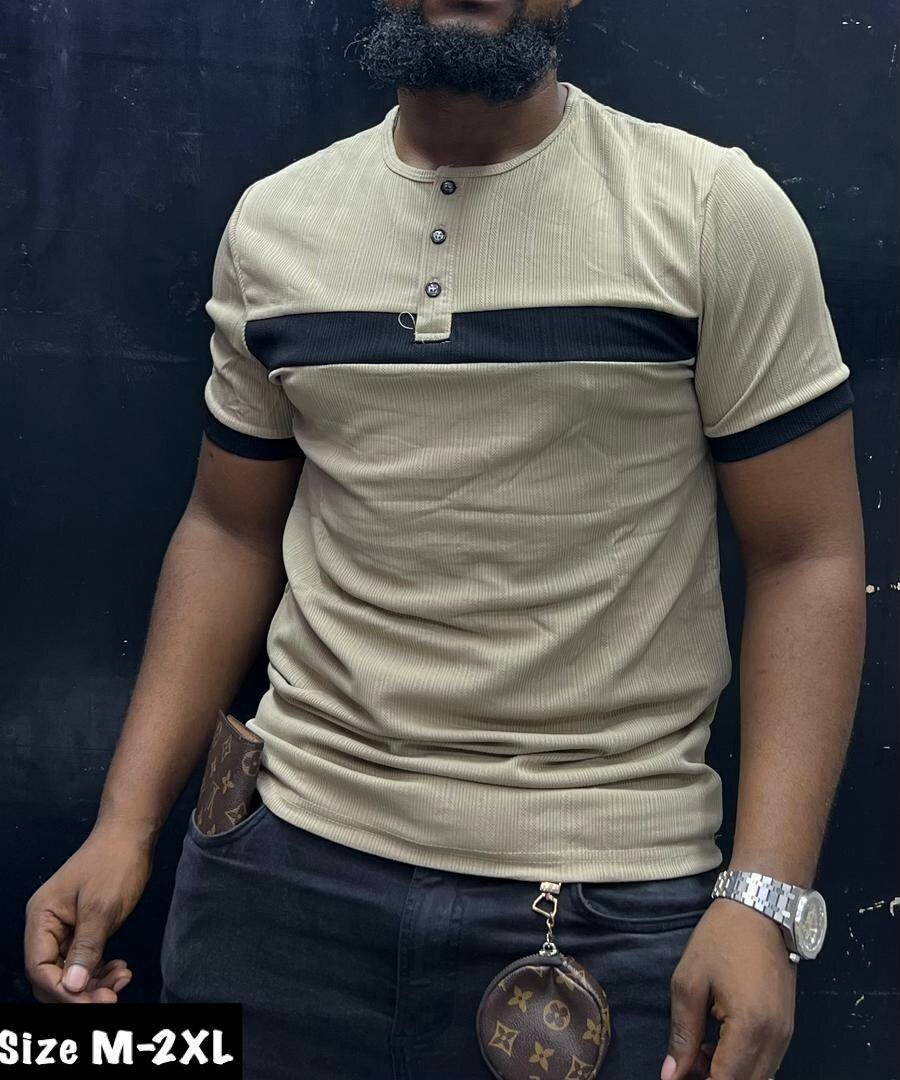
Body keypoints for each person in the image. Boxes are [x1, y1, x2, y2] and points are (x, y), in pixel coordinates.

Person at [23, 2, 866, 1078]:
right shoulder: (276, 223)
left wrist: (765, 899)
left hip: (606, 916)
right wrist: (123, 823)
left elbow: (807, 555)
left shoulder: (710, 210)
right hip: (275, 888)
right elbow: (229, 528)